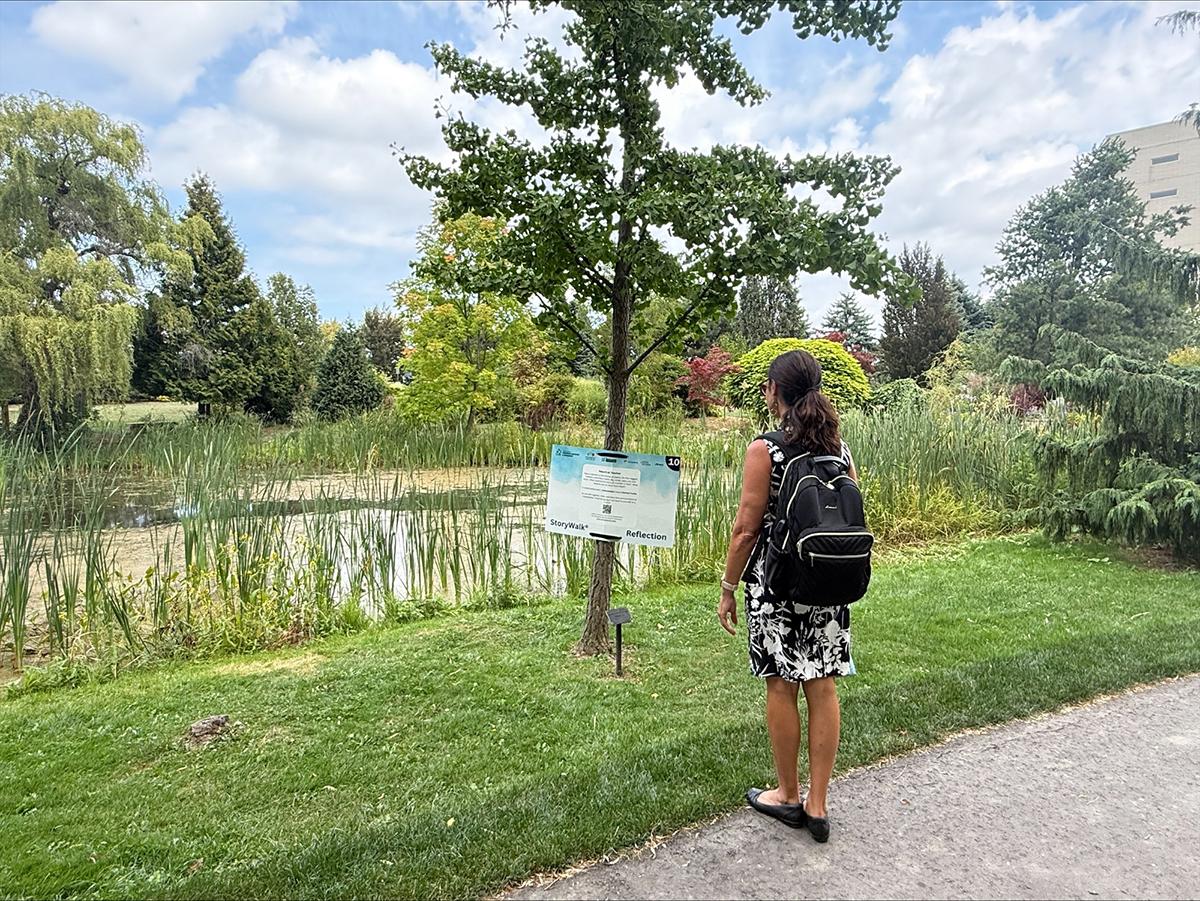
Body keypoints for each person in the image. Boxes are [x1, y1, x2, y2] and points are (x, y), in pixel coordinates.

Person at [717, 348, 858, 843]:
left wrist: (728, 588)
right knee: (823, 685)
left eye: (766, 387)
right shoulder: (837, 449)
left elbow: (745, 529)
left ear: (775, 392)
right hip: (827, 585)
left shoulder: (767, 449)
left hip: (777, 587)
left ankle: (787, 795)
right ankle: (818, 807)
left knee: (782, 684)